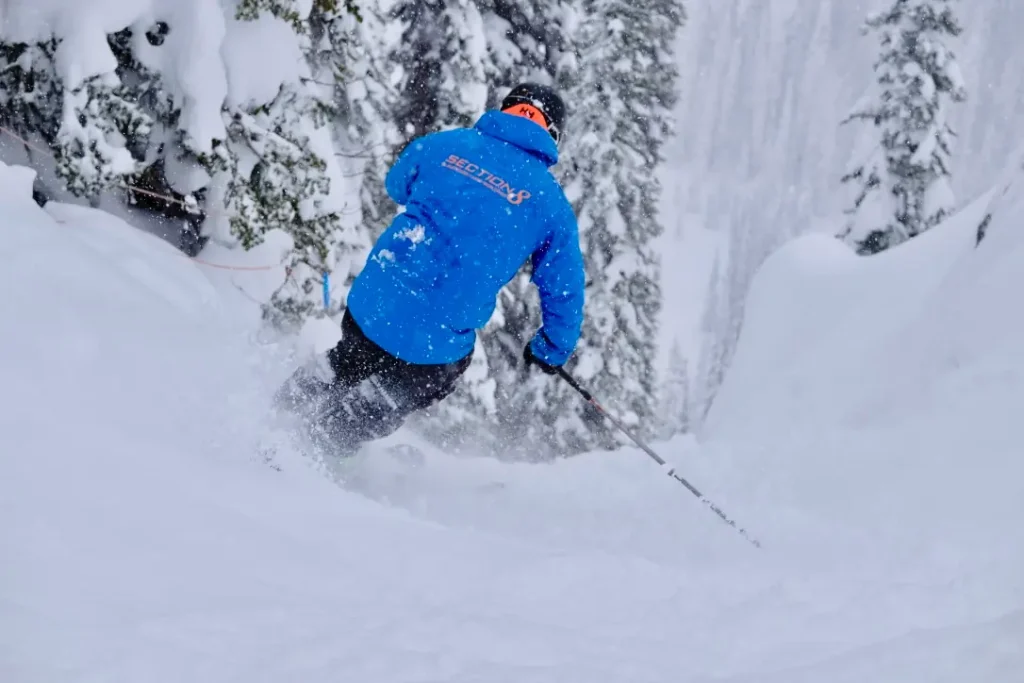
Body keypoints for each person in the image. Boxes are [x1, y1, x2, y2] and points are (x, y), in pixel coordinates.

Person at [276, 83, 586, 455]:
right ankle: (315, 450)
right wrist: (551, 348)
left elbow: (396, 186)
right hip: (434, 343)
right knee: (398, 388)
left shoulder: (446, 144)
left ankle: (276, 411)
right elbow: (564, 289)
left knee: (347, 361)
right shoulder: (550, 203)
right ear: (552, 133)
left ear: (506, 110)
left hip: (374, 303)